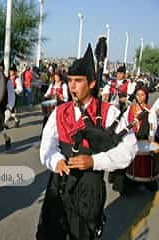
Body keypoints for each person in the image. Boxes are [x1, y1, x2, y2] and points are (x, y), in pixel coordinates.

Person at [36, 45, 137, 240]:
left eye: (78, 81)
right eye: (70, 81)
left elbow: (129, 150)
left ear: (91, 83)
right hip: (59, 182)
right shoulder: (60, 111)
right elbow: (47, 146)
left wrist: (94, 162)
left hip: (89, 187)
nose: (72, 86)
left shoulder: (109, 112)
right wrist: (55, 160)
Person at [110, 86, 158, 193]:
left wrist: (151, 141)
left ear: (146, 96)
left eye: (142, 95)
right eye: (138, 95)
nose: (140, 97)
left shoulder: (150, 110)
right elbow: (124, 122)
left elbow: (153, 127)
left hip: (144, 138)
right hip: (131, 138)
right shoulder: (130, 109)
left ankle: (144, 180)